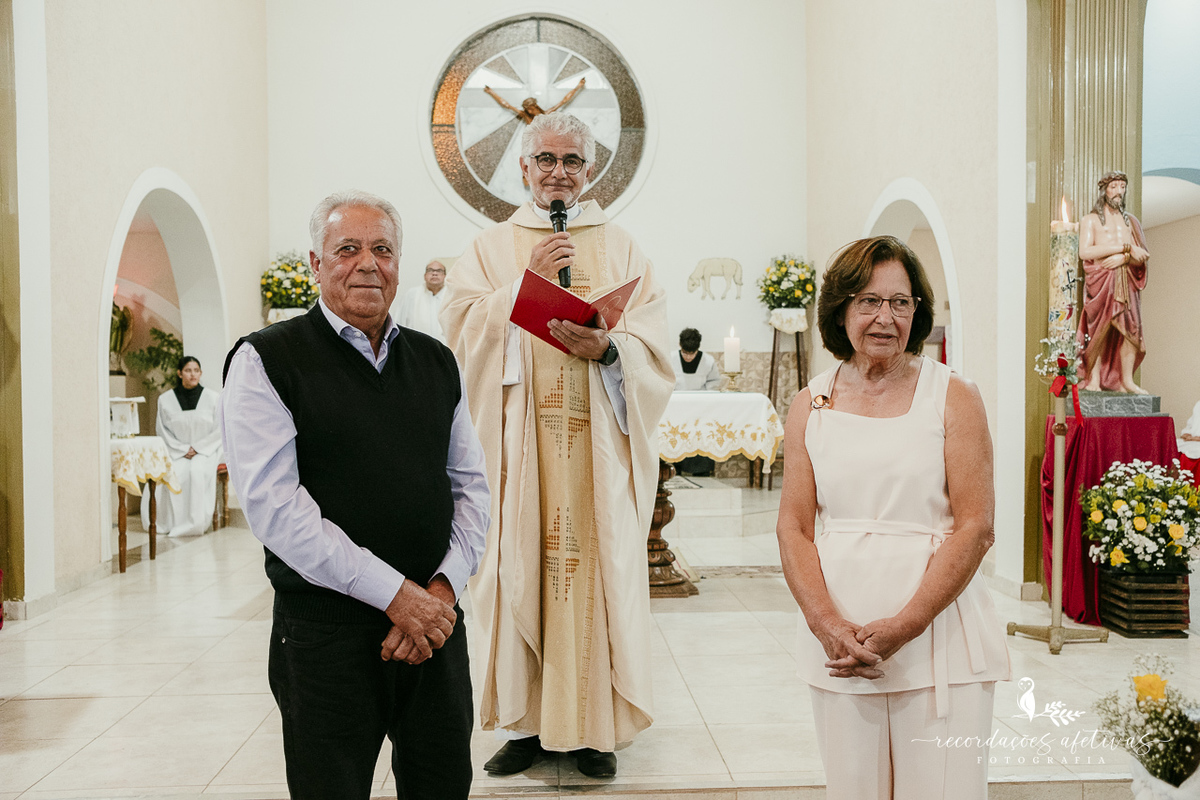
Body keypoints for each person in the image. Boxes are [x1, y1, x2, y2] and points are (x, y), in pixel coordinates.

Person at [220, 191, 490, 800]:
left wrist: (441, 592)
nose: (368, 264)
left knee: (442, 784)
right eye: (348, 249)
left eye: (383, 250)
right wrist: (397, 596)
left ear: (400, 263)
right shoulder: (267, 360)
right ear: (315, 263)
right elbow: (276, 510)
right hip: (327, 636)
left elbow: (471, 487)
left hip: (434, 629)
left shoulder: (436, 360)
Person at [440, 112, 673, 779]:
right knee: (519, 572)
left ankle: (592, 731)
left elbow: (653, 345)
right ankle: (527, 726)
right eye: (545, 159)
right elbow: (456, 333)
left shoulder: (622, 247)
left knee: (597, 578)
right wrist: (521, 286)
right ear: (523, 168)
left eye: (571, 161)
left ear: (590, 171)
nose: (558, 172)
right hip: (520, 450)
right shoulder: (491, 248)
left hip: (596, 451)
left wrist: (610, 349)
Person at [776, 236, 1010, 800]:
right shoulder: (811, 402)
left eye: (900, 303)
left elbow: (976, 526)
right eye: (868, 301)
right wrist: (827, 624)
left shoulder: (954, 396)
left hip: (939, 637)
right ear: (841, 310)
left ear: (918, 312)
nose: (886, 317)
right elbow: (794, 526)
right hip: (842, 642)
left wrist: (906, 625)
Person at [1076, 171, 1150, 394]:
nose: (1119, 192)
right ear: (1104, 190)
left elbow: (1143, 255)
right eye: (1114, 187)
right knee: (1100, 328)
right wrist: (1124, 249)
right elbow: (1085, 251)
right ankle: (1094, 378)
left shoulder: (1132, 222)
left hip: (1126, 280)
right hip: (1101, 280)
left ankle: (1127, 380)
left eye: (1122, 187)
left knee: (1130, 330)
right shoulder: (1090, 220)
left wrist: (1125, 258)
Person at [140, 356, 222, 537]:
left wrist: (198, 448)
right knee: (173, 473)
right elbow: (163, 430)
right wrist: (183, 449)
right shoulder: (166, 400)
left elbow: (219, 430)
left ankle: (195, 523)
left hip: (206, 451)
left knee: (197, 472)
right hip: (177, 451)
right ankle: (169, 522)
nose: (193, 374)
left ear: (200, 373)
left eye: (196, 370)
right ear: (179, 373)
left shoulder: (213, 398)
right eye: (188, 370)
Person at [672, 328, 720, 477]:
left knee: (700, 436)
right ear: (680, 346)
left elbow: (714, 383)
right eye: (685, 352)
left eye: (691, 353)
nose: (688, 357)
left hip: (700, 408)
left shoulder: (708, 361)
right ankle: (675, 468)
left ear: (697, 350)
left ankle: (701, 470)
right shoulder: (671, 358)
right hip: (676, 408)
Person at [396, 259, 448, 342]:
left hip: (446, 349)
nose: (434, 273)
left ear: (445, 276)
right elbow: (400, 323)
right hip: (417, 348)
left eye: (439, 271)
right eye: (430, 270)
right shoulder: (412, 295)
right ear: (425, 275)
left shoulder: (451, 296)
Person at [1179, 400, 1200, 488]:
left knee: (1194, 451)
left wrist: (1196, 438)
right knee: (1175, 445)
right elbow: (1190, 425)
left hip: (1197, 442)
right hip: (1194, 440)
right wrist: (1187, 434)